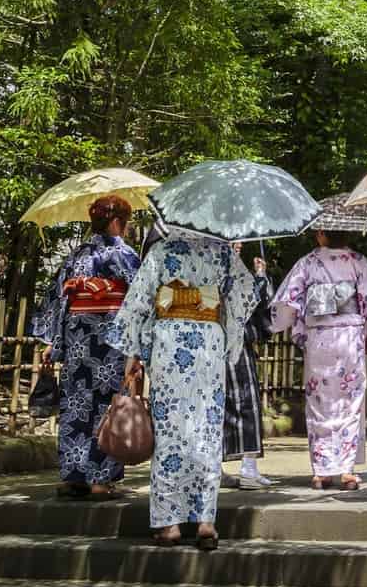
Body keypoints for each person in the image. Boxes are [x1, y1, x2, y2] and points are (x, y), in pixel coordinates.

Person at [109, 231, 260, 550]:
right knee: (206, 429)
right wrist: (225, 325)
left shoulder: (162, 251)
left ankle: (170, 524)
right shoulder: (222, 252)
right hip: (207, 340)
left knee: (170, 430)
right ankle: (206, 522)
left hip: (170, 339)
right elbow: (245, 293)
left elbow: (139, 302)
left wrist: (134, 353)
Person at [33, 194, 141, 499]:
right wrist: (139, 346)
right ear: (118, 221)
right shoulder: (127, 256)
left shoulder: (76, 256)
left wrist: (54, 342)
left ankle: (74, 476)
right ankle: (100, 480)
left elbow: (58, 300)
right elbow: (140, 301)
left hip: (78, 337)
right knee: (107, 405)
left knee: (77, 404)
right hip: (112, 339)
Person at [271, 228, 367, 490]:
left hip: (319, 340)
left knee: (319, 402)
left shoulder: (308, 263)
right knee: (350, 401)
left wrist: (279, 324)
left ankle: (322, 470)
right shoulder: (358, 262)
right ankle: (346, 469)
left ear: (322, 234)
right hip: (348, 339)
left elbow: (288, 303)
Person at [223, 248, 275, 489]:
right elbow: (257, 301)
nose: (239, 245)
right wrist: (261, 277)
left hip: (208, 343)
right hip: (235, 344)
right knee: (247, 403)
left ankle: (215, 468)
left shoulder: (206, 264)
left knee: (215, 407)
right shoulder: (230, 268)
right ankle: (248, 468)